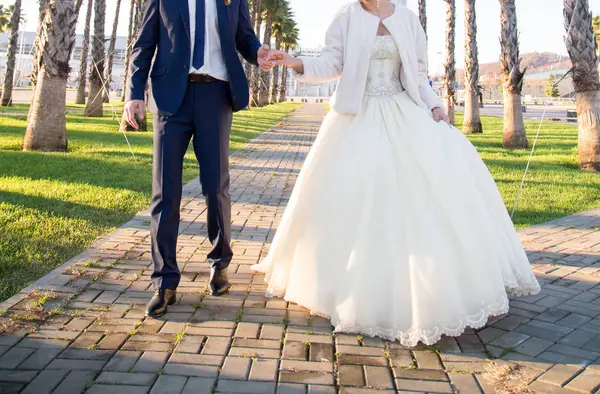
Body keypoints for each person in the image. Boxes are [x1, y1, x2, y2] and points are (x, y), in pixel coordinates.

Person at [251, 0, 540, 346]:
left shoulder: (406, 18)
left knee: (425, 195)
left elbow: (418, 75)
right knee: (357, 197)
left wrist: (434, 105)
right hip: (356, 118)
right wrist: (292, 60)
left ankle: (428, 289)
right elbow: (330, 63)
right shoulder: (345, 16)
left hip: (405, 111)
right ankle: (353, 288)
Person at [122, 0, 273, 318]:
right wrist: (134, 93)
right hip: (170, 98)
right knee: (165, 192)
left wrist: (257, 50)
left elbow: (244, 37)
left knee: (216, 186)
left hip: (216, 96)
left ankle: (220, 264)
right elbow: (144, 43)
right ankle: (165, 281)